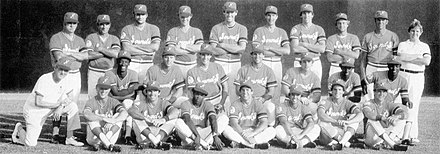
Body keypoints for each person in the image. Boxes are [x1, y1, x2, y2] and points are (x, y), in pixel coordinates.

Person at [11, 57, 83, 147]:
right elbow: (38, 102)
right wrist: (57, 105)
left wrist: (61, 107)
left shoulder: (66, 79)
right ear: (55, 68)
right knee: (30, 144)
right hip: (35, 111)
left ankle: (69, 138)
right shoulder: (44, 79)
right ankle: (19, 128)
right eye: (61, 69)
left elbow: (70, 96)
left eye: (66, 70)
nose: (63, 73)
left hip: (52, 108)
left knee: (73, 107)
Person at [49, 12, 88, 145]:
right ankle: (55, 134)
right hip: (61, 73)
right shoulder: (56, 38)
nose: (71, 25)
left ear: (77, 24)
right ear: (64, 23)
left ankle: (69, 136)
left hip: (75, 74)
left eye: (74, 23)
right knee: (58, 102)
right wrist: (76, 55)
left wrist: (68, 54)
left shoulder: (80, 40)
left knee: (73, 105)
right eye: (69, 23)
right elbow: (59, 57)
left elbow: (85, 56)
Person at [396, 19, 431, 144]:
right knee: (400, 103)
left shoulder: (424, 46)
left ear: (420, 32)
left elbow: (426, 61)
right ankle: (398, 133)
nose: (414, 33)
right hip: (404, 75)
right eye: (412, 31)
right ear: (409, 32)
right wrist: (417, 57)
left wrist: (408, 58)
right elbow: (400, 58)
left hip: (417, 77)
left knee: (413, 104)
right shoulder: (403, 44)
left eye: (417, 31)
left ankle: (411, 135)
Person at [209, 1, 248, 103]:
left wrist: (222, 44)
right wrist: (233, 48)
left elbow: (241, 49)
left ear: (236, 13)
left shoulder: (242, 28)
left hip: (235, 63)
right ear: (224, 12)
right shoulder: (216, 28)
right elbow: (213, 50)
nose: (229, 15)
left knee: (235, 92)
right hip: (219, 62)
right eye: (227, 12)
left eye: (232, 12)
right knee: (219, 91)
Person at [252, 5, 290, 101]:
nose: (271, 18)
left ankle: (274, 113)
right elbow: (257, 50)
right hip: (263, 62)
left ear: (277, 16)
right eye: (269, 15)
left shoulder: (282, 32)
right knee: (263, 88)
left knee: (276, 91)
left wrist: (270, 48)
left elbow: (287, 51)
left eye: (273, 15)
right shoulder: (259, 31)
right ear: (265, 16)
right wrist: (278, 50)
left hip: (277, 63)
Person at [174, 84, 229, 151]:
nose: (198, 97)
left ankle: (202, 144)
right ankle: (206, 145)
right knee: (178, 122)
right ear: (193, 94)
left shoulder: (208, 104)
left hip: (203, 133)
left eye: (201, 95)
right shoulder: (186, 103)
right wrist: (196, 136)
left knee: (224, 118)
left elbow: (212, 119)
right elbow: (187, 120)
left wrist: (215, 135)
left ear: (204, 97)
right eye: (196, 94)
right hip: (190, 134)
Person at [359, 10, 399, 100]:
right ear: (375, 21)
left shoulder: (393, 36)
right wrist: (362, 76)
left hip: (386, 68)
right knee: (369, 95)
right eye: (378, 20)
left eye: (383, 20)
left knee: (385, 95)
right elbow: (363, 59)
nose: (380, 22)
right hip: (371, 67)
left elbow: (395, 58)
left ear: (387, 21)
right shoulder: (368, 37)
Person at [223, 83, 276, 149]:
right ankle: (254, 145)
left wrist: (253, 133)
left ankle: (243, 144)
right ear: (240, 92)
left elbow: (264, 122)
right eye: (243, 90)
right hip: (240, 131)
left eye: (247, 90)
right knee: (226, 130)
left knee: (272, 130)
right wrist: (244, 135)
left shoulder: (257, 103)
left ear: (252, 92)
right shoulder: (235, 104)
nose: (245, 92)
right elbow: (234, 123)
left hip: (253, 132)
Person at [127, 84, 180, 150]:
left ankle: (154, 142)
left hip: (160, 134)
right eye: (150, 91)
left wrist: (163, 119)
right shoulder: (141, 103)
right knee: (135, 118)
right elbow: (131, 111)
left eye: (155, 91)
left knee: (174, 119)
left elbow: (176, 111)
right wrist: (145, 118)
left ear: (159, 92)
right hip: (145, 135)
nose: (152, 93)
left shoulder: (163, 102)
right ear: (146, 92)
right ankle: (156, 142)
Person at [83, 76, 128, 152]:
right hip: (94, 138)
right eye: (101, 88)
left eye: (106, 88)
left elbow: (125, 113)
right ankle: (108, 144)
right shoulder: (91, 101)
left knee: (118, 116)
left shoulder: (113, 101)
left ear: (110, 89)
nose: (103, 91)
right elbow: (86, 114)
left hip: (109, 135)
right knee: (92, 118)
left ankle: (105, 143)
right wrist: (103, 119)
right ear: (97, 88)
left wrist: (113, 120)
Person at [234, 47, 277, 126]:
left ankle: (270, 128)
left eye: (260, 54)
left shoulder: (268, 70)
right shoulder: (243, 69)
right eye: (255, 54)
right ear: (251, 55)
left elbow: (271, 92)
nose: (257, 56)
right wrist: (248, 99)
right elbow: (237, 90)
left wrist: (263, 98)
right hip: (246, 100)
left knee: (271, 106)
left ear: (263, 56)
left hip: (262, 100)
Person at [105, 50, 139, 145]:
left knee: (127, 104)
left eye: (126, 61)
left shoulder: (133, 74)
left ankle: (127, 135)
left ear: (129, 63)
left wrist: (119, 96)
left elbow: (132, 95)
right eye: (121, 61)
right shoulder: (109, 73)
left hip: (122, 100)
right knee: (125, 104)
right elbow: (116, 92)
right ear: (117, 62)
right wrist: (127, 92)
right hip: (113, 100)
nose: (123, 64)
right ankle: (119, 132)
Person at [317, 81, 364, 150]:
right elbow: (320, 114)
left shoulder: (347, 102)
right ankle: (346, 143)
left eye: (340, 90)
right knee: (322, 122)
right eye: (335, 89)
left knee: (354, 117)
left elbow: (361, 115)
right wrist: (335, 121)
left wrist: (348, 122)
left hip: (342, 131)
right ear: (331, 91)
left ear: (343, 92)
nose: (337, 92)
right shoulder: (327, 101)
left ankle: (340, 143)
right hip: (328, 133)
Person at [362, 84, 410, 151]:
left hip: (385, 136)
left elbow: (404, 113)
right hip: (372, 137)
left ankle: (387, 141)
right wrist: (380, 117)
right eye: (379, 91)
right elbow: (367, 113)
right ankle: (393, 145)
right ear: (374, 92)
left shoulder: (388, 104)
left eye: (384, 91)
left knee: (402, 119)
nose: (381, 94)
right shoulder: (369, 103)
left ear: (386, 93)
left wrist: (396, 116)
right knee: (372, 121)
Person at [120, 4, 160, 83]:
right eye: (138, 14)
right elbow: (126, 48)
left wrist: (134, 46)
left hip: (147, 63)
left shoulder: (153, 28)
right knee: (130, 88)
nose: (140, 17)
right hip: (132, 63)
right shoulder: (127, 29)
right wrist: (148, 51)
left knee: (145, 88)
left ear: (147, 15)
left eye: (142, 14)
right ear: (134, 14)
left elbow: (155, 47)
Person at [186, 44, 229, 114]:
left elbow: (226, 87)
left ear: (211, 55)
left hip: (217, 99)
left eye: (208, 55)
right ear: (198, 55)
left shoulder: (218, 67)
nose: (205, 57)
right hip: (202, 102)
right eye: (203, 54)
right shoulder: (192, 72)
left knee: (223, 120)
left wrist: (222, 103)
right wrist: (199, 106)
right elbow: (191, 94)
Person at [86, 14, 120, 99]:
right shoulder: (91, 37)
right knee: (92, 96)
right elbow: (89, 55)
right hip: (94, 71)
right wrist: (108, 53)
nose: (104, 27)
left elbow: (116, 54)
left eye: (106, 24)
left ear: (110, 25)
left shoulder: (114, 38)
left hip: (109, 72)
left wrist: (100, 49)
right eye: (101, 24)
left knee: (109, 98)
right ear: (97, 25)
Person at [290, 3, 326, 80]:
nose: (307, 15)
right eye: (304, 13)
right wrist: (315, 48)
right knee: (298, 87)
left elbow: (322, 49)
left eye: (309, 13)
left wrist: (303, 44)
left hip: (315, 61)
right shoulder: (296, 28)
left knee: (315, 88)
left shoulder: (319, 29)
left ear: (312, 15)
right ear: (301, 15)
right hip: (300, 61)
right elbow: (295, 49)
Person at [166, 5, 203, 76]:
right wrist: (192, 50)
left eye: (187, 16)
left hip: (192, 65)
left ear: (190, 16)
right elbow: (172, 50)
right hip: (177, 65)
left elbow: (199, 48)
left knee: (192, 87)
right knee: (177, 86)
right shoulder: (173, 31)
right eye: (182, 17)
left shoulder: (197, 31)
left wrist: (183, 46)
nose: (184, 19)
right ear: (179, 16)